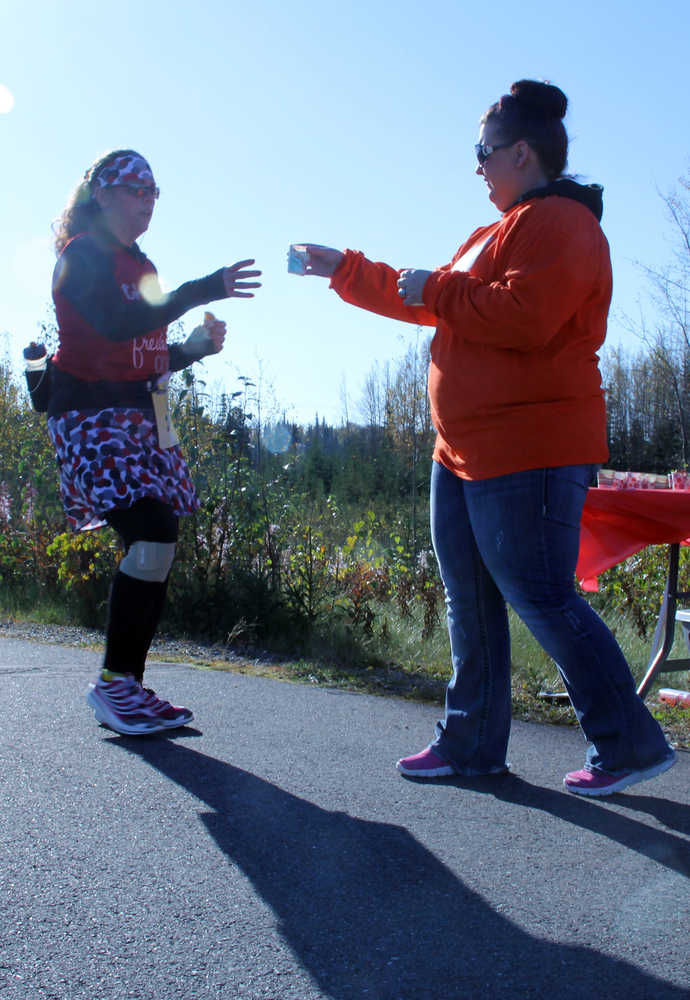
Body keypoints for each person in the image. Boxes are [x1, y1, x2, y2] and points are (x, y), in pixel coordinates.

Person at [293, 81, 676, 796]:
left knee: (542, 596)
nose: (477, 166)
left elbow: (522, 316)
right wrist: (342, 269)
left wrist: (434, 291)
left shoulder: (562, 222)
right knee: (468, 596)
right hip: (462, 450)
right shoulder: (500, 230)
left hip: (529, 446)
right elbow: (430, 298)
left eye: (483, 152)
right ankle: (470, 744)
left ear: (521, 152)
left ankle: (627, 745)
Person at [49, 148, 261, 735]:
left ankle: (126, 686)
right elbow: (115, 326)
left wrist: (193, 348)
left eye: (154, 192)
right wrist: (206, 287)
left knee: (159, 539)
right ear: (102, 194)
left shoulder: (138, 261)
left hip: (139, 416)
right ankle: (117, 687)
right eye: (135, 189)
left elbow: (142, 353)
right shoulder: (81, 256)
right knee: (150, 532)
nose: (147, 201)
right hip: (91, 417)